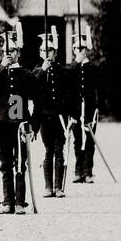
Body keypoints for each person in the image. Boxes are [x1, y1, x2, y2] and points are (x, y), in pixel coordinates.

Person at [0, 26, 35, 214]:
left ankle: (20, 201)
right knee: (5, 162)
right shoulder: (0, 71)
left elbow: (34, 99)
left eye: (12, 50)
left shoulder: (26, 74)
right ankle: (8, 201)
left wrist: (31, 125)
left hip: (19, 120)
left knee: (20, 162)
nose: (9, 54)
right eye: (6, 51)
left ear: (19, 51)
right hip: (2, 119)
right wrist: (1, 65)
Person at [32, 29, 68, 198]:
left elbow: (69, 95)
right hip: (44, 118)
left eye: (50, 50)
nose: (47, 54)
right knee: (48, 151)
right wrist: (42, 71)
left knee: (59, 150)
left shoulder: (62, 71)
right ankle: (48, 187)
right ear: (40, 53)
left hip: (59, 117)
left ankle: (58, 187)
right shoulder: (37, 71)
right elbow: (32, 91)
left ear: (55, 52)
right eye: (44, 51)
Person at [68, 30, 102, 183]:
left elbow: (99, 90)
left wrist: (97, 109)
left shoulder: (94, 69)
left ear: (86, 50)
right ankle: (78, 170)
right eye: (76, 48)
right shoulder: (72, 69)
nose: (79, 51)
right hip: (75, 110)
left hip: (89, 110)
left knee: (89, 140)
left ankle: (88, 171)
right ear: (73, 50)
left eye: (82, 48)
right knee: (77, 141)